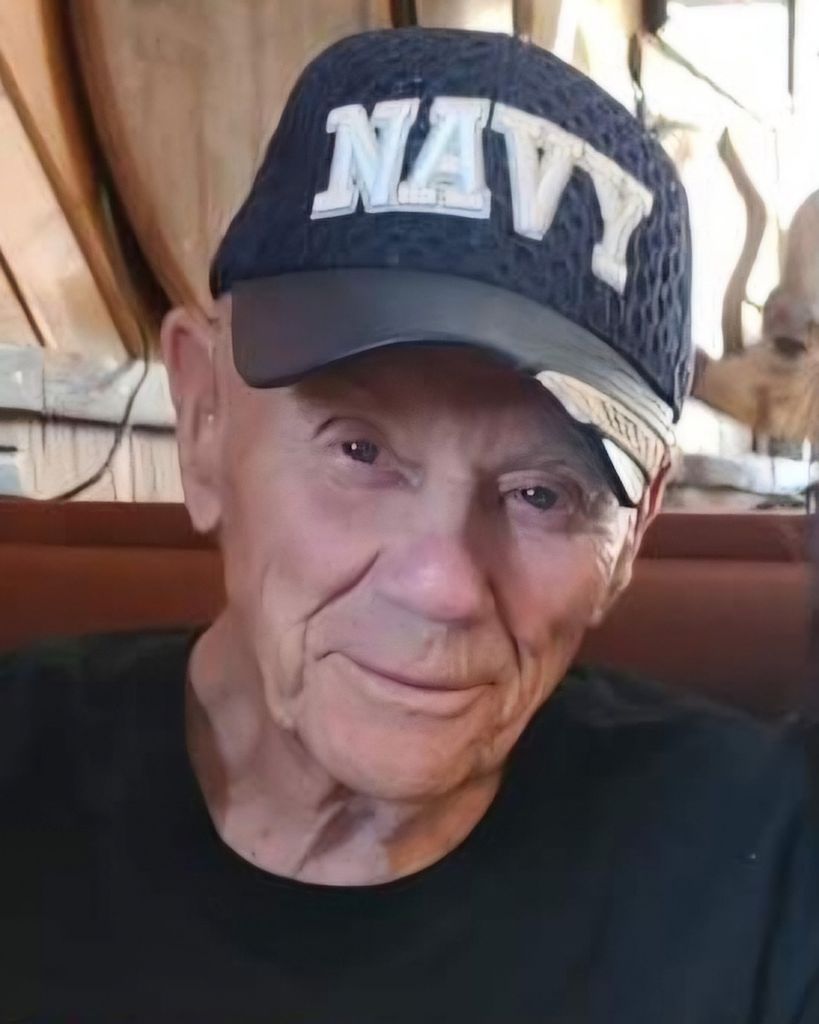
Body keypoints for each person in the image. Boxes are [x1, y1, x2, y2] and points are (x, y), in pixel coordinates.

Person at [1, 28, 817, 1023]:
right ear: (205, 417)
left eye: (543, 494)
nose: (442, 584)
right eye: (360, 450)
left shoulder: (764, 871)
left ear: (633, 532)